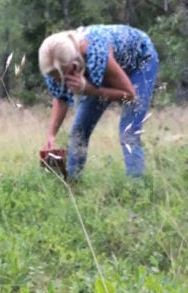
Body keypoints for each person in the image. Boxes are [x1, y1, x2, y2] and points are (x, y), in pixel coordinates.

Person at [38, 25, 159, 180]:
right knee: (78, 133)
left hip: (140, 61)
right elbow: (60, 98)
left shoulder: (96, 53)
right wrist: (51, 135)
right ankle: (72, 185)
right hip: (106, 67)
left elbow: (129, 96)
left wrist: (90, 89)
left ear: (73, 64)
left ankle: (137, 189)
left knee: (128, 133)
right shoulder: (54, 64)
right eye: (54, 76)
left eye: (60, 76)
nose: (57, 79)